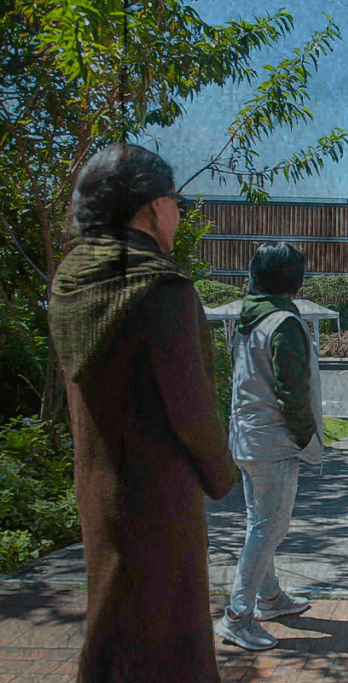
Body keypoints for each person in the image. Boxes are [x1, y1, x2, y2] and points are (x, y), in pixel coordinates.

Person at [48, 143, 236, 682]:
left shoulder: (73, 280)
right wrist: (223, 475)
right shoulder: (160, 287)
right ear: (150, 206)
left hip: (98, 486)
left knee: (113, 622)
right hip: (160, 493)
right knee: (170, 634)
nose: (178, 214)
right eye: (174, 201)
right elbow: (193, 409)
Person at [216, 242, 324, 651]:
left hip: (245, 435)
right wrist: (305, 439)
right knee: (268, 529)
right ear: (295, 281)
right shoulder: (283, 323)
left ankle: (271, 598)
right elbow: (292, 391)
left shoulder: (249, 319)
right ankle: (237, 616)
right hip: (273, 442)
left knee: (260, 523)